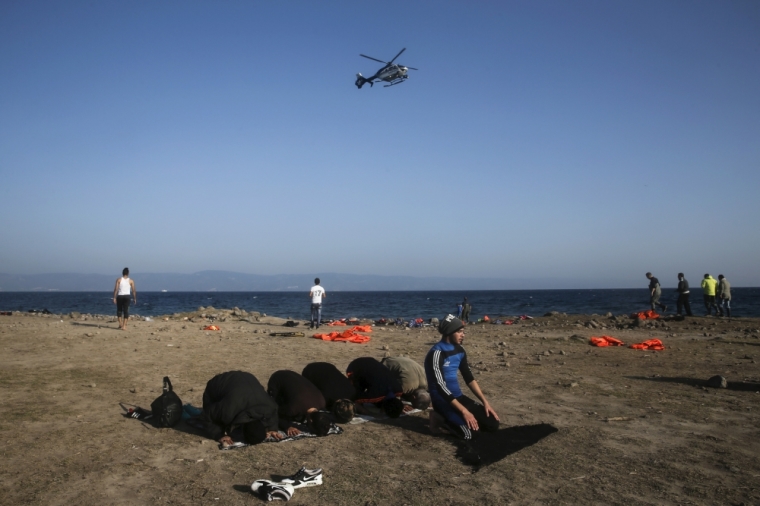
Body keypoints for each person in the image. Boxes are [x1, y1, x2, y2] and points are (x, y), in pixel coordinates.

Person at [424, 314, 499, 442]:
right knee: (470, 435)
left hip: (458, 397)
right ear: (449, 332)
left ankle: (458, 418)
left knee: (492, 424)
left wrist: (485, 403)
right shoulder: (436, 354)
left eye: (463, 331)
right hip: (443, 401)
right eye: (459, 332)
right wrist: (464, 411)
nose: (463, 335)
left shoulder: (460, 350)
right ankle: (438, 417)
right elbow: (441, 387)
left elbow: (469, 378)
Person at [200, 371, 281, 447]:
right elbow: (206, 415)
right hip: (218, 383)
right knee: (216, 419)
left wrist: (272, 428)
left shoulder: (270, 407)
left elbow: (273, 413)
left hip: (247, 378)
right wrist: (219, 435)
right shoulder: (227, 411)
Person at [267, 370, 332, 437]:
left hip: (291, 375)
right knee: (270, 406)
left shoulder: (322, 402)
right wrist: (287, 426)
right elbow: (275, 414)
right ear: (310, 420)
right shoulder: (293, 409)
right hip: (278, 378)